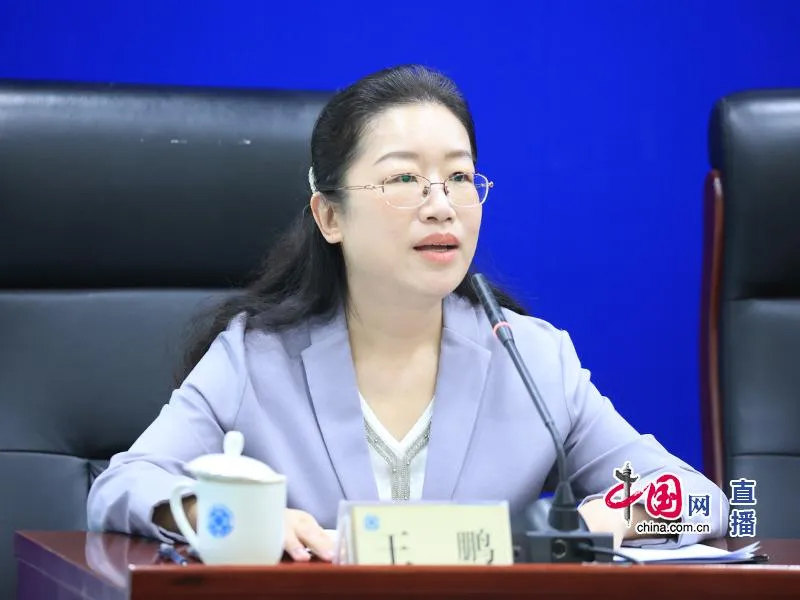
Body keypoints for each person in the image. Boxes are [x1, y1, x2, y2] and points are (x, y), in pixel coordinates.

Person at [87, 65, 729, 562]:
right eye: (403, 180)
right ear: (330, 216)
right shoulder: (256, 356)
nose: (441, 205)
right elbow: (123, 486)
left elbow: (701, 502)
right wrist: (228, 517)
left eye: (459, 178)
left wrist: (582, 524)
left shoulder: (530, 358)